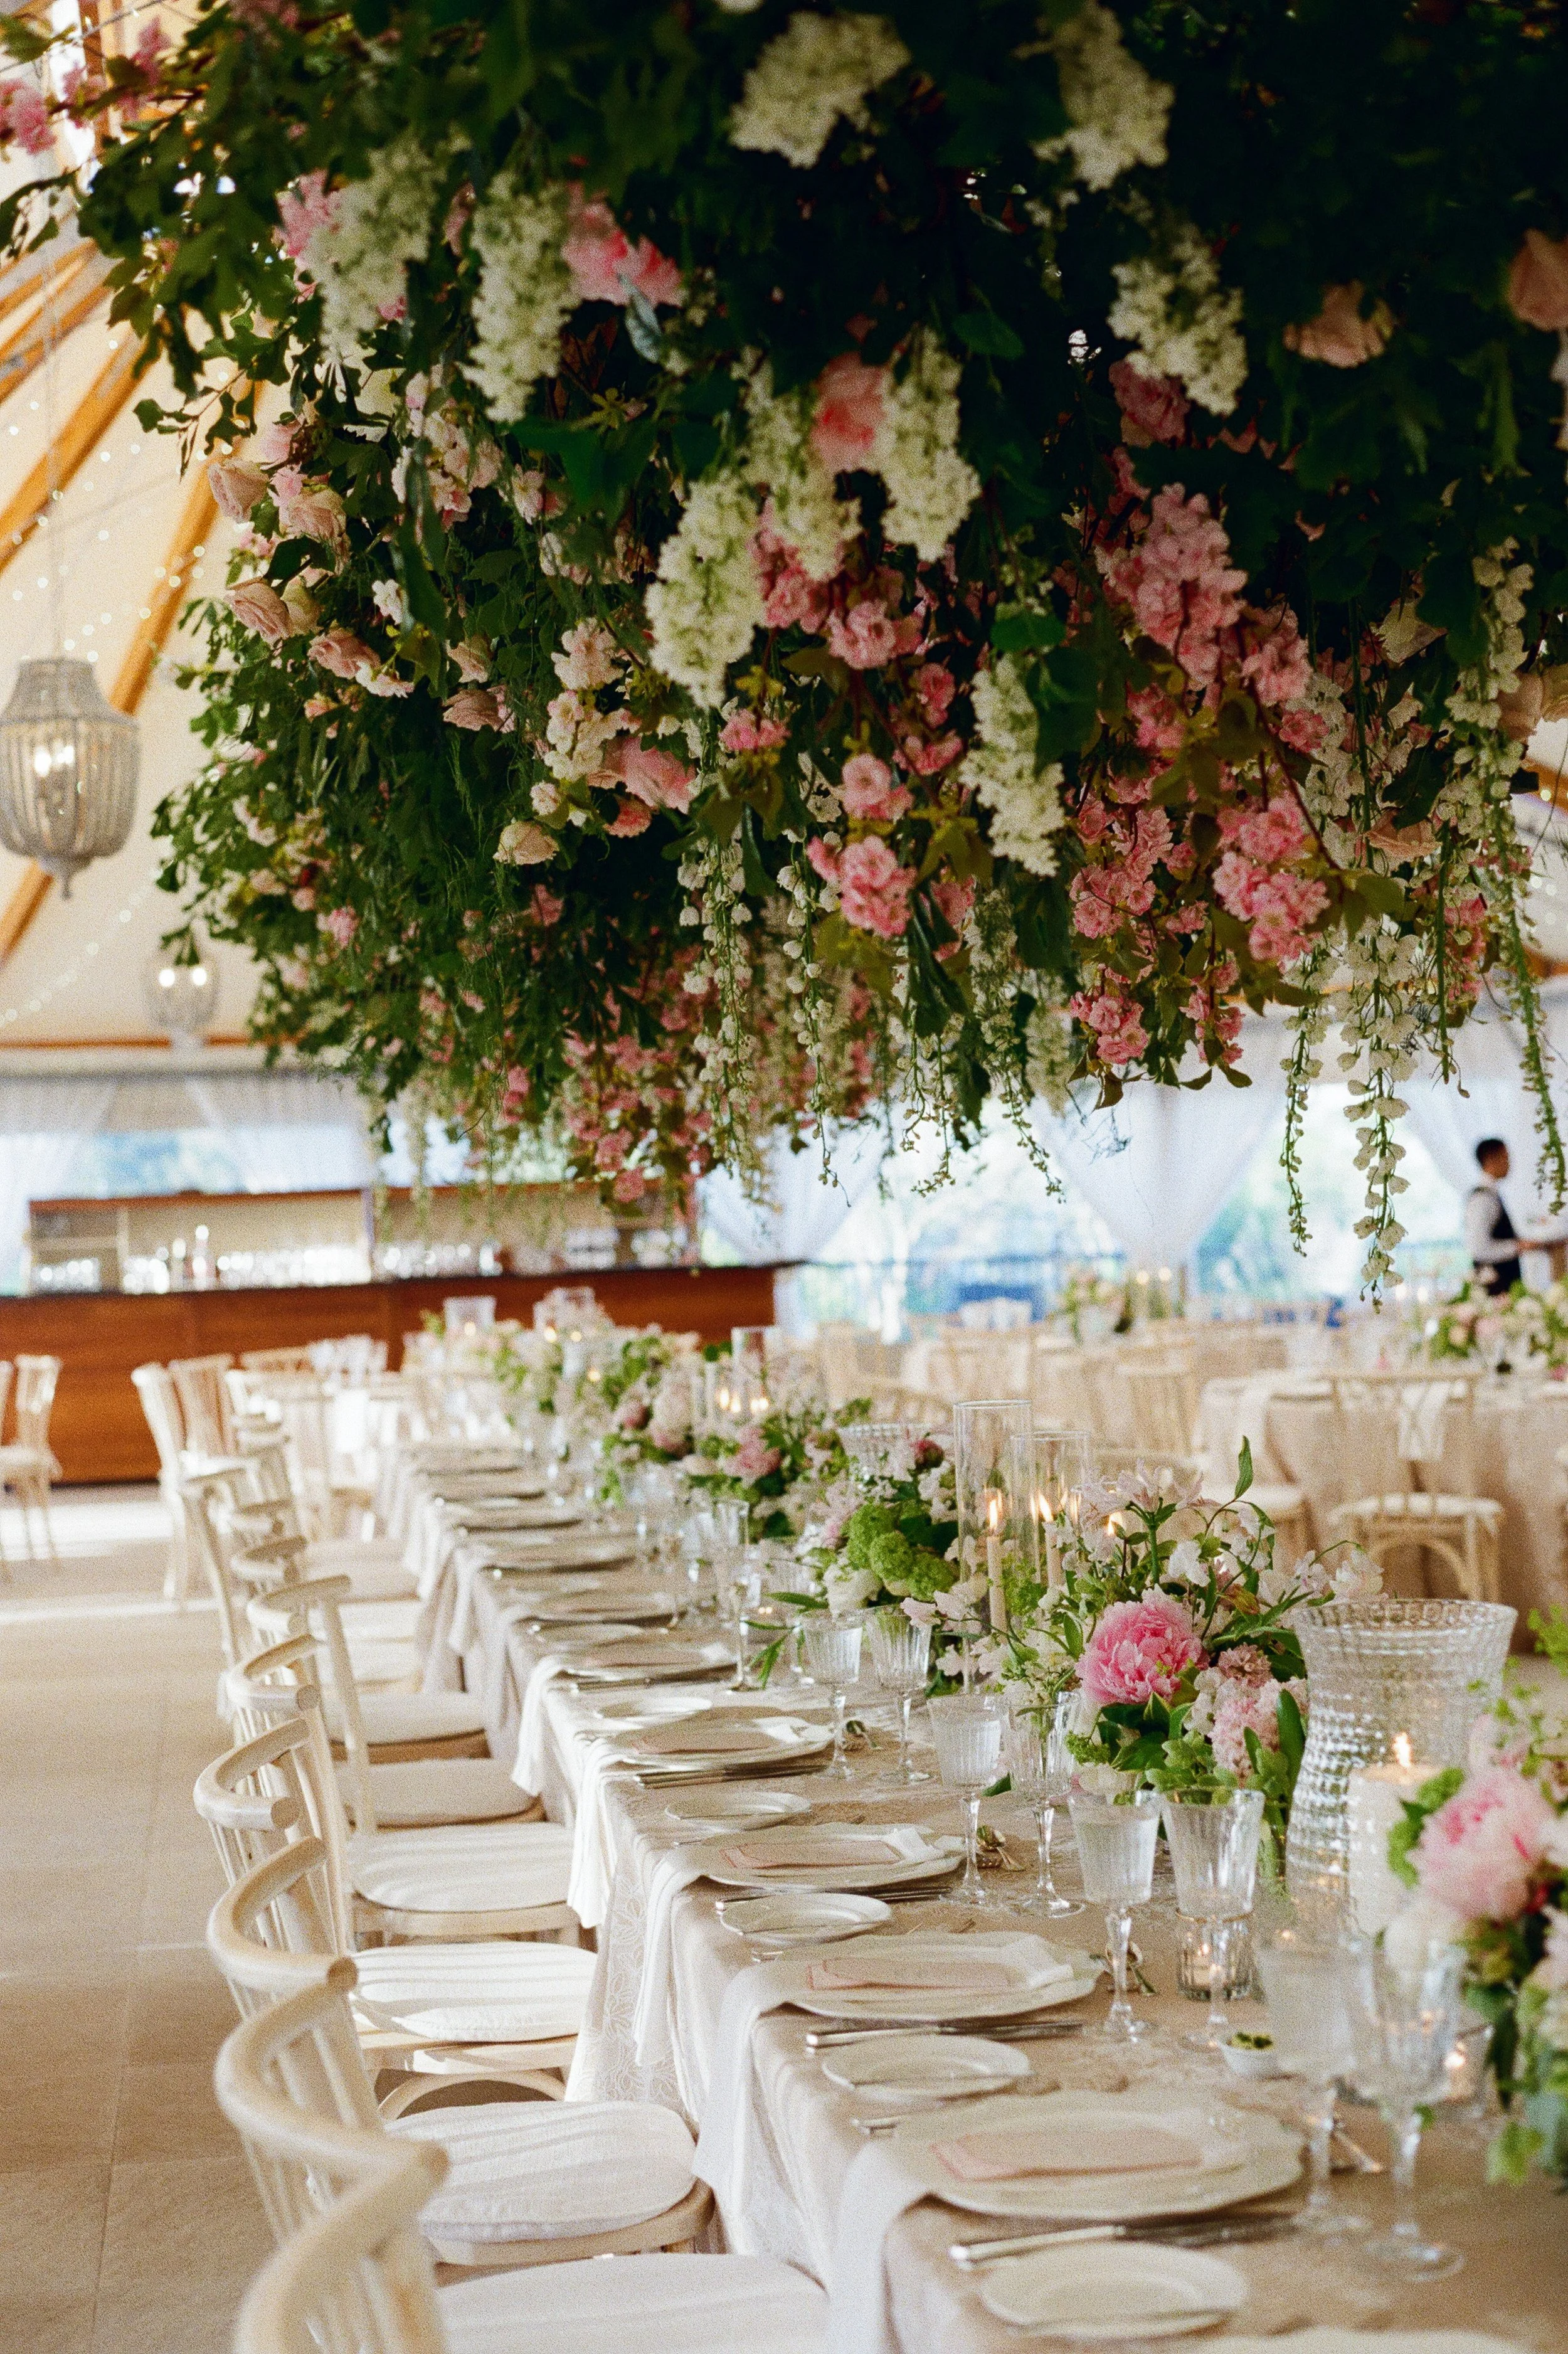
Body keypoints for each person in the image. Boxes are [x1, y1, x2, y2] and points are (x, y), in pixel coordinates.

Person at [1465, 1138, 1523, 1296]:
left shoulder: (1492, 1194)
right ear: (1491, 1158)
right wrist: (1518, 1246)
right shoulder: (1482, 1199)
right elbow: (1479, 1248)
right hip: (1495, 1288)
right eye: (1506, 1157)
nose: (1509, 1163)